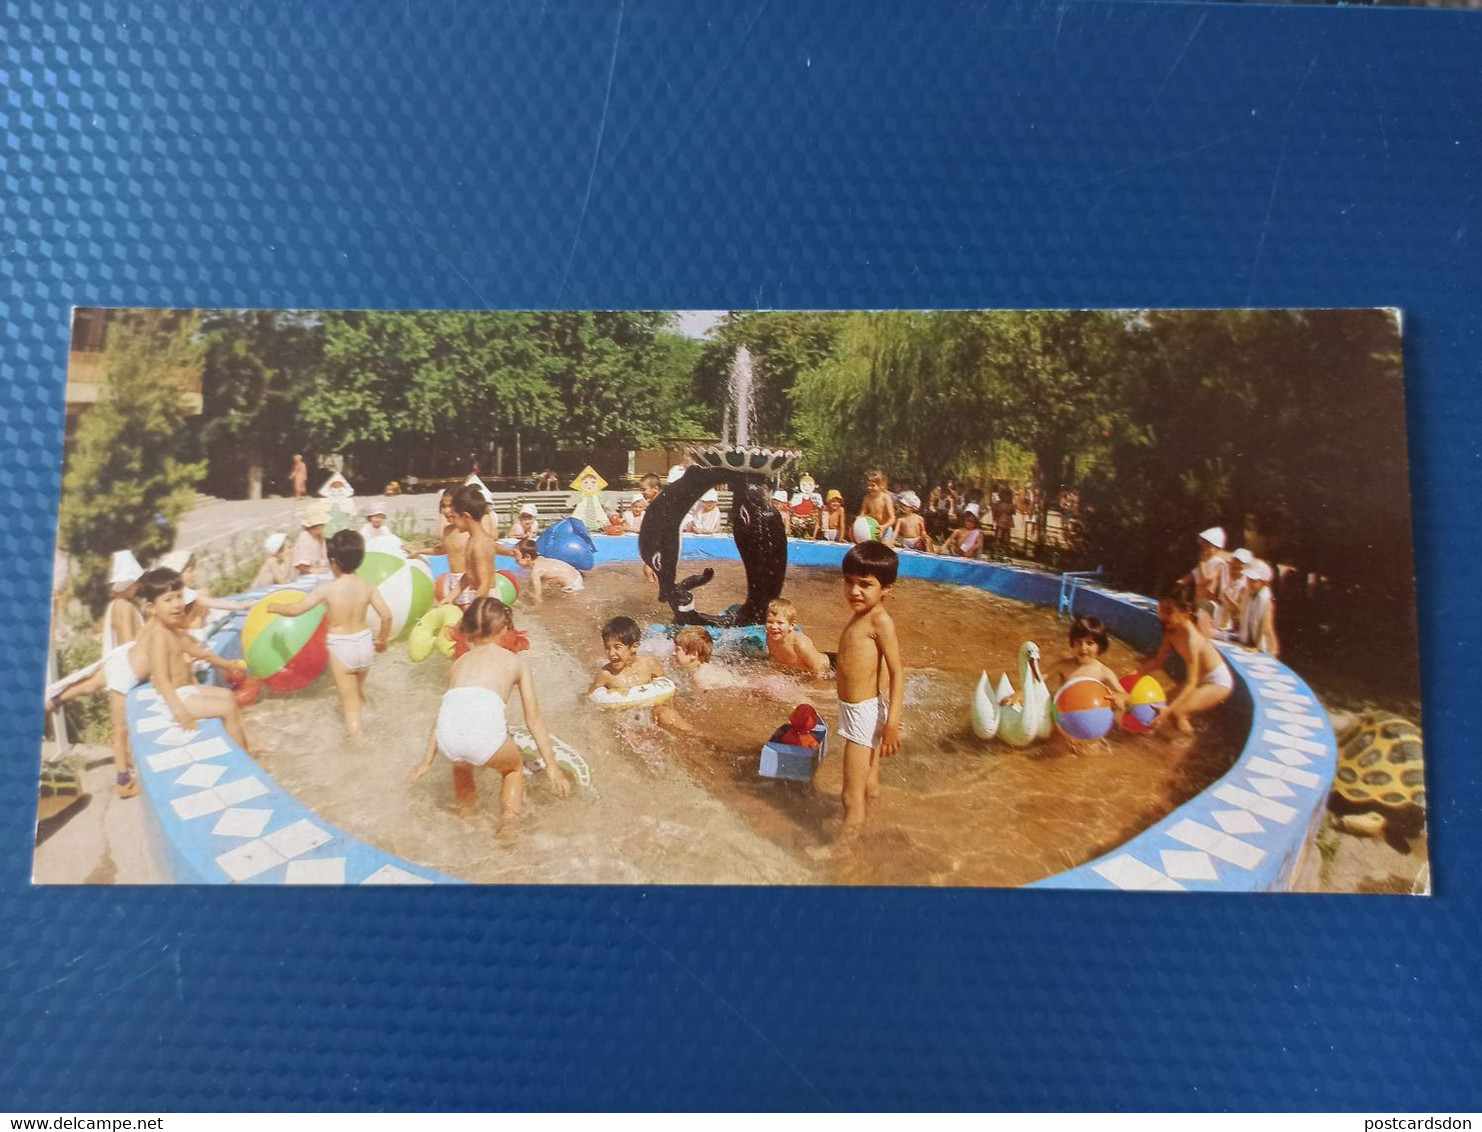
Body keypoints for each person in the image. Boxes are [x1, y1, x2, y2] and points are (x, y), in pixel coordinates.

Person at [407, 597, 570, 818]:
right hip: (483, 739)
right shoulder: (516, 663)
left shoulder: (460, 663)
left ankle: (467, 820)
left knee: (462, 766)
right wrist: (552, 766)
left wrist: (426, 762)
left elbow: (446, 710)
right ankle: (508, 830)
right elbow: (533, 718)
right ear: (504, 628)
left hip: (447, 738)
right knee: (513, 769)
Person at [271, 530, 391, 736]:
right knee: (358, 695)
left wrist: (273, 606)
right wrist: (382, 640)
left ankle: (358, 748)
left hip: (342, 648)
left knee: (349, 707)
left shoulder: (327, 589)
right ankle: (370, 726)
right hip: (365, 645)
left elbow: (296, 609)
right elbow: (387, 616)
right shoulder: (367, 587)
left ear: (333, 561)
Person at [132, 567, 256, 755]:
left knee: (228, 695)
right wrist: (180, 712)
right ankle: (245, 757)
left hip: (185, 690)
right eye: (168, 600)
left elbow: (201, 653)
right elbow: (161, 681)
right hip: (174, 699)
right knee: (228, 707)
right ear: (152, 608)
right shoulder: (158, 637)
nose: (177, 604)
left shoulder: (172, 630)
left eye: (179, 597)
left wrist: (227, 665)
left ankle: (242, 744)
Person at [835, 541, 905, 831]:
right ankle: (870, 830)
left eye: (865, 584)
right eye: (850, 582)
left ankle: (845, 855)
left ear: (887, 589)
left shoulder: (880, 621)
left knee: (850, 796)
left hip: (862, 714)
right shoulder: (864, 615)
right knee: (869, 784)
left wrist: (892, 723)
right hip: (866, 708)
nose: (854, 591)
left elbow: (898, 672)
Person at [1129, 585, 1233, 735]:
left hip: (1217, 682)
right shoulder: (1170, 630)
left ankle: (1184, 745)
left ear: (1186, 612)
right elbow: (1159, 660)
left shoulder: (1193, 639)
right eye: (1160, 609)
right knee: (1159, 704)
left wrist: (1169, 710)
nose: (1162, 616)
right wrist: (1136, 673)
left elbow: (1191, 682)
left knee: (1178, 712)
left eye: (1169, 611)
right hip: (1200, 679)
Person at [589, 616, 692, 733]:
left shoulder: (649, 663)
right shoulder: (606, 674)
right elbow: (591, 698)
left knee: (666, 714)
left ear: (634, 647)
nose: (611, 653)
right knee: (623, 726)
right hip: (627, 718)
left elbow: (667, 688)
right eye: (607, 648)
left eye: (617, 647)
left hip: (653, 709)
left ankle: (706, 741)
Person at [449, 484, 508, 606]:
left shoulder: (478, 545)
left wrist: (473, 611)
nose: (452, 521)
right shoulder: (475, 539)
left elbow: (484, 585)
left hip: (487, 601)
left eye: (454, 517)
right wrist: (451, 597)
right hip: (480, 596)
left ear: (466, 517)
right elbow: (470, 575)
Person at [1179, 526, 1229, 636]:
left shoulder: (1218, 563)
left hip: (1208, 604)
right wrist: (1176, 585)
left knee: (1202, 633)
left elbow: (1206, 580)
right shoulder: (1204, 564)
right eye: (1204, 545)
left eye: (1209, 546)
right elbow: (1189, 577)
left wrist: (1202, 562)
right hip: (1198, 601)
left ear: (1217, 549)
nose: (1205, 549)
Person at [764, 598, 831, 678]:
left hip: (831, 666)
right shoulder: (770, 636)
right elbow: (774, 660)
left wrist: (813, 688)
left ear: (791, 625)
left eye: (780, 623)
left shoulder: (800, 644)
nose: (774, 627)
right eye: (770, 622)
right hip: (802, 670)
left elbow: (819, 671)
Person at [514, 538, 584, 603]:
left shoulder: (536, 571)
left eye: (517, 558)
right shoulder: (541, 559)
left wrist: (534, 609)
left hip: (572, 585)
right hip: (575, 574)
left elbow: (538, 597)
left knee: (571, 604)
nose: (515, 562)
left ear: (527, 557)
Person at [671, 626, 741, 691]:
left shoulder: (700, 678)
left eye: (677, 650)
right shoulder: (697, 668)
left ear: (693, 654)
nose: (673, 653)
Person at [1238, 559, 1280, 656]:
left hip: (1260, 648)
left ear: (1264, 583)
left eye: (1253, 581)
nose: (1249, 583)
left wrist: (1273, 652)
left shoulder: (1265, 601)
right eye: (1248, 579)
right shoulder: (1250, 596)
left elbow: (1267, 628)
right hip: (1248, 643)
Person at [292, 500, 331, 576]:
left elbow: (325, 556)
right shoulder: (305, 538)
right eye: (322, 525)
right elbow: (301, 566)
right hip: (307, 576)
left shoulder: (320, 538)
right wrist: (316, 571)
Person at [857, 470, 896, 542]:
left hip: (886, 528)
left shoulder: (885, 498)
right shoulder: (867, 498)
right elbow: (862, 514)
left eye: (873, 485)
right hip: (873, 529)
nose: (869, 488)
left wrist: (884, 526)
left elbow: (892, 518)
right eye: (868, 485)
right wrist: (857, 523)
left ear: (881, 485)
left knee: (886, 551)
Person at [991, 483, 1016, 552]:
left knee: (1002, 532)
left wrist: (995, 516)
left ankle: (1001, 544)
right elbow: (1013, 512)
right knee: (1004, 532)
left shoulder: (1000, 504)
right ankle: (1002, 544)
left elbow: (995, 511)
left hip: (1002, 520)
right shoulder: (1008, 505)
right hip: (1005, 520)